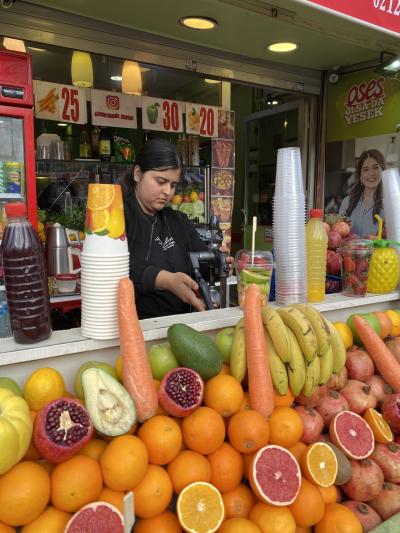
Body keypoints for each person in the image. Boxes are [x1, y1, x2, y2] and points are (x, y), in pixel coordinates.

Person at [122, 138, 231, 320]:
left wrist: (217, 260)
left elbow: (202, 265)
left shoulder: (177, 221)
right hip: (134, 326)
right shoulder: (118, 216)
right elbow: (112, 271)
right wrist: (165, 280)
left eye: (173, 185)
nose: (168, 192)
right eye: (160, 181)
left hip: (179, 325)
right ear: (138, 173)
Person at [339, 149, 386, 237]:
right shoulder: (347, 202)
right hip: (349, 251)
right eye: (365, 169)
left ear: (382, 170)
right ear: (360, 176)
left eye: (375, 167)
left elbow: (395, 241)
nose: (371, 173)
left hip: (379, 251)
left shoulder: (390, 205)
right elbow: (339, 235)